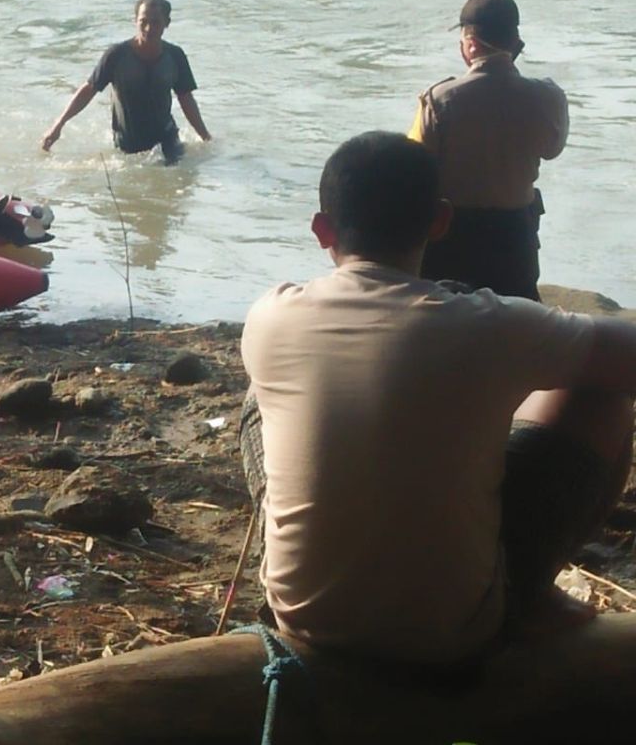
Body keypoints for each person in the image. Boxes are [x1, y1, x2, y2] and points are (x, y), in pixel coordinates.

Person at [240, 131, 636, 669]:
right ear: (441, 221)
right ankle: (530, 591)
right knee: (606, 396)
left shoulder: (271, 315)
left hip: (304, 619)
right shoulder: (491, 325)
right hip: (456, 634)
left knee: (261, 394)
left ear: (321, 229)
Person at [407, 0, 568, 301]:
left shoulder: (440, 99)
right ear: (514, 41)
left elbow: (415, 167)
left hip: (450, 238)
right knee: (517, 324)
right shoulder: (549, 97)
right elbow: (552, 149)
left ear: (471, 44)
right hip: (515, 237)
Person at [41, 0, 210, 165]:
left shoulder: (175, 56)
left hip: (166, 140)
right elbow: (89, 90)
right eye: (143, 21)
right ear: (135, 21)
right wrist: (58, 125)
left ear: (167, 23)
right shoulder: (117, 55)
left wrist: (205, 137)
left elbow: (186, 98)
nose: (149, 28)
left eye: (156, 22)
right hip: (128, 145)